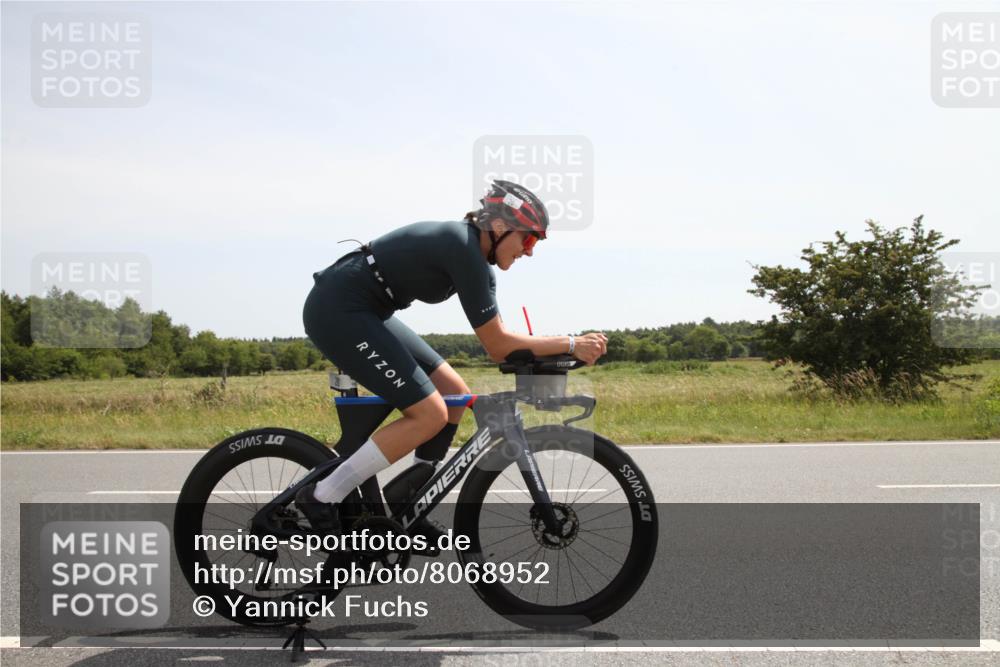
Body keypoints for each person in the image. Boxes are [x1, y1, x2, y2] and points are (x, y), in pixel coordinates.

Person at [296, 180, 608, 536]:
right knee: (430, 414)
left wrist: (563, 347)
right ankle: (322, 496)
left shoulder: (471, 254)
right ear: (501, 226)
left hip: (368, 309)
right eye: (529, 239)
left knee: (454, 394)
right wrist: (570, 343)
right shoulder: (464, 249)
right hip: (339, 309)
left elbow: (499, 342)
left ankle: (407, 502)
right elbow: (498, 345)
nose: (530, 251)